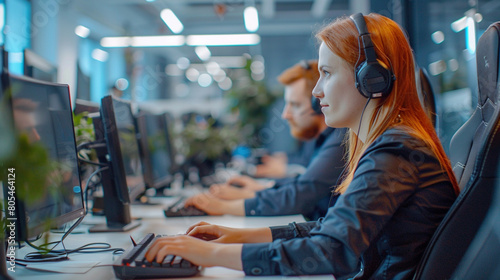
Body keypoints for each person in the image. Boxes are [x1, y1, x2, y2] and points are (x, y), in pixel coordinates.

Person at [145, 13, 459, 279]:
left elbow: (331, 249)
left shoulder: (395, 153)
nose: (317, 92)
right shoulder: (390, 144)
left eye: (327, 73)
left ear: (371, 79)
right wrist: (235, 237)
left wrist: (211, 254)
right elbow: (330, 229)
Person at [189, 60, 348, 220]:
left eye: (295, 104)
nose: (285, 115)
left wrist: (225, 206)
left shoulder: (341, 139)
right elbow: (303, 183)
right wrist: (261, 188)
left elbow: (301, 195)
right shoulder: (322, 139)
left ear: (318, 103)